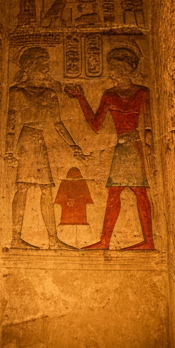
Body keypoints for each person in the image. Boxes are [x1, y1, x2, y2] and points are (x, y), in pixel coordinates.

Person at [63, 47, 155, 251]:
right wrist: (81, 98)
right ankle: (105, 241)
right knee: (115, 194)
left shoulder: (142, 92)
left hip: (135, 146)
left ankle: (148, 241)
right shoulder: (109, 95)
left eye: (115, 68)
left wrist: (150, 149)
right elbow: (96, 124)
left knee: (140, 193)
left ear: (127, 69)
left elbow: (148, 124)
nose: (112, 73)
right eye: (112, 68)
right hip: (121, 148)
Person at [6, 46, 86, 251]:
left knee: (46, 190)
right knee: (22, 188)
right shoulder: (17, 92)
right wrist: (9, 151)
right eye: (42, 66)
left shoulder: (50, 94)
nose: (46, 70)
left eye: (46, 66)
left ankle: (52, 239)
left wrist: (73, 145)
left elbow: (58, 124)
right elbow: (11, 124)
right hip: (25, 141)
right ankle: (15, 238)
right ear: (30, 68)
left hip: (39, 140)